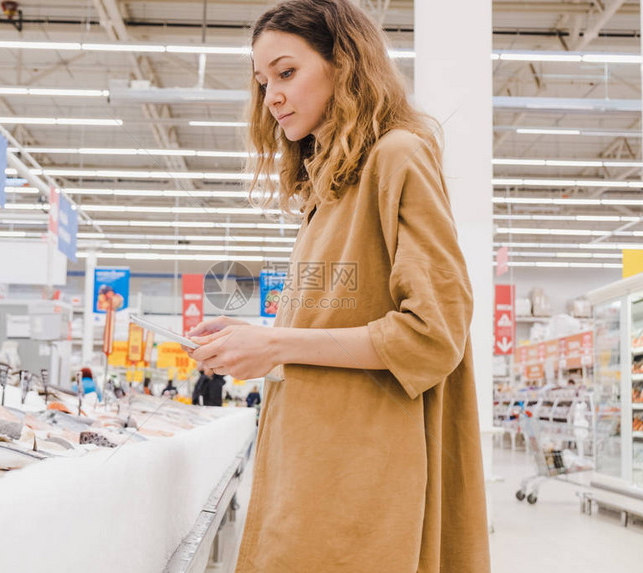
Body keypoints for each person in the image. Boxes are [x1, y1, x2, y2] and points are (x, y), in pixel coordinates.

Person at [184, 2, 489, 572]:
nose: (271, 95)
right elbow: (333, 327)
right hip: (311, 462)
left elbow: (433, 334)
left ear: (342, 64)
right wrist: (256, 341)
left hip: (364, 472)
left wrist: (277, 345)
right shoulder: (328, 190)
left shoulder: (397, 157)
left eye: (286, 72)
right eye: (262, 81)